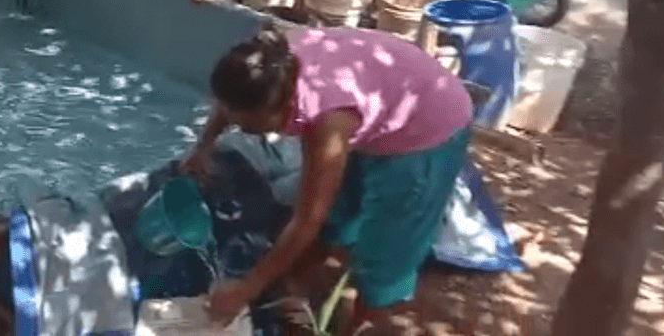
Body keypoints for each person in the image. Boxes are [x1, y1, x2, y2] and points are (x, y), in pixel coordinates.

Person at [182, 25, 473, 335]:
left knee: (388, 245)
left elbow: (308, 219)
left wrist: (247, 287)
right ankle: (291, 291)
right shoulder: (264, 65)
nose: (234, 122)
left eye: (244, 122)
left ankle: (363, 321)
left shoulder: (328, 122)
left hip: (426, 128)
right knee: (339, 209)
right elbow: (231, 101)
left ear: (278, 112)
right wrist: (204, 147)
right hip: (378, 100)